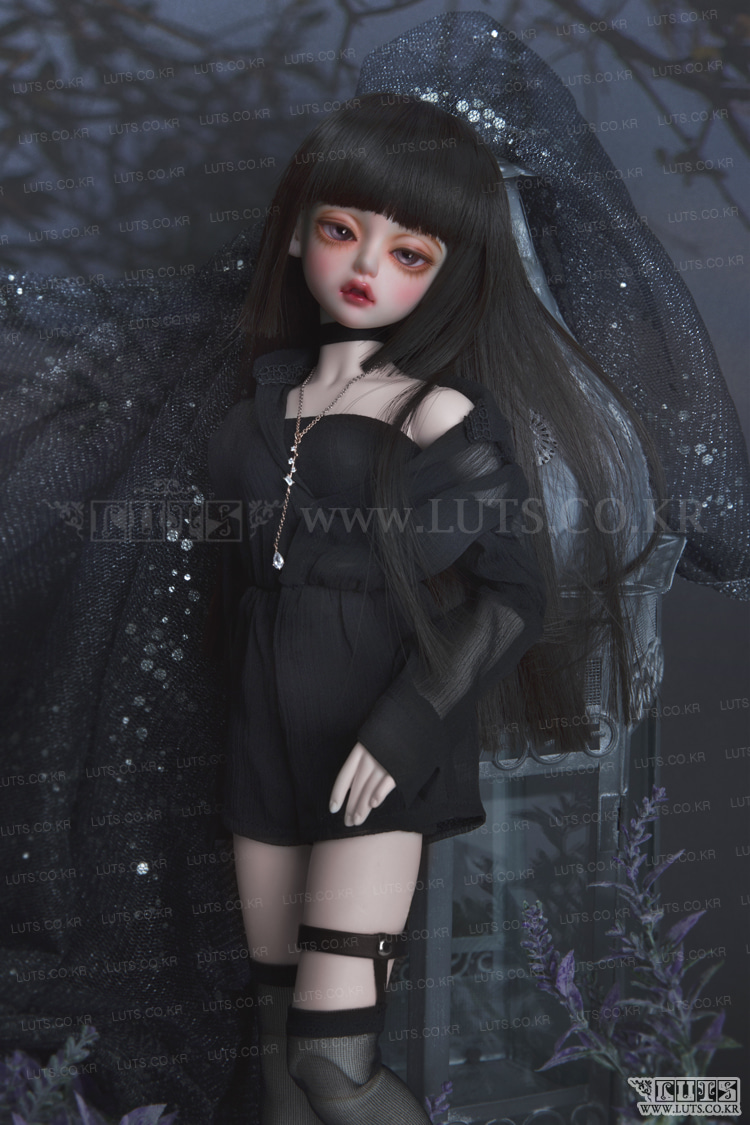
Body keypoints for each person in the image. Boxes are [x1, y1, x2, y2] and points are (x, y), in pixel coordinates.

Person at [205, 91, 664, 1124]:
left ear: (449, 274)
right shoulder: (255, 410)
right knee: (275, 1046)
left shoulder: (437, 412)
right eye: (341, 230)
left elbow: (515, 592)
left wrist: (409, 723)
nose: (367, 265)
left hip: (377, 747)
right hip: (261, 741)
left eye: (409, 252)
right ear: (296, 233)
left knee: (332, 1062)